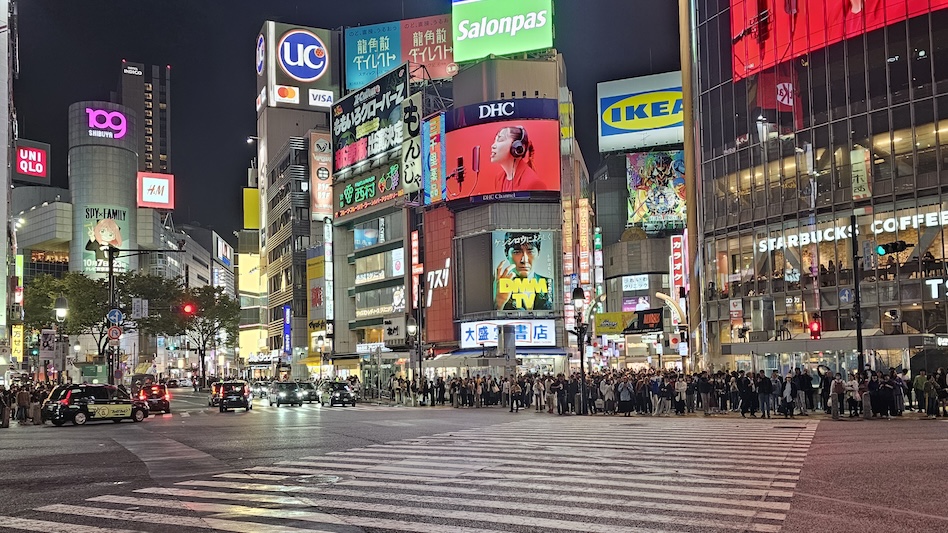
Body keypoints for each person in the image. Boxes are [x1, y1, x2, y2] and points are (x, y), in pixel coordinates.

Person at [493, 232, 554, 311]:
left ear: (538, 253)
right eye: (517, 252)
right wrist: (498, 304)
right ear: (506, 253)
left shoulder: (550, 285)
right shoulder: (498, 288)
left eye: (530, 252)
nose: (524, 260)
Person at [489, 125, 545, 193]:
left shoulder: (533, 183)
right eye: (494, 141)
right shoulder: (498, 179)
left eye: (500, 140)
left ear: (517, 147)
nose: (493, 146)